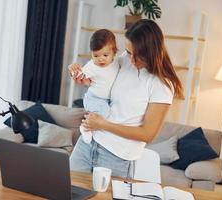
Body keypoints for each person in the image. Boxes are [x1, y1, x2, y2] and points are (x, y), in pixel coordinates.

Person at [68, 19, 183, 178]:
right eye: (129, 52)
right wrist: (83, 78)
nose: (132, 59)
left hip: (115, 157)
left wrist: (103, 124)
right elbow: (104, 82)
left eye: (139, 55)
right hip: (87, 144)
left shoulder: (161, 85)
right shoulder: (125, 60)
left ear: (152, 51)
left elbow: (147, 134)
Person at [70, 29, 119, 144]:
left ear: (114, 52)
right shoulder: (91, 66)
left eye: (105, 55)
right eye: (95, 55)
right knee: (104, 114)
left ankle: (91, 127)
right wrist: (73, 70)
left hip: (106, 100)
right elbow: (79, 75)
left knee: (109, 115)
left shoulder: (117, 63)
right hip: (94, 98)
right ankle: (85, 128)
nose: (100, 59)